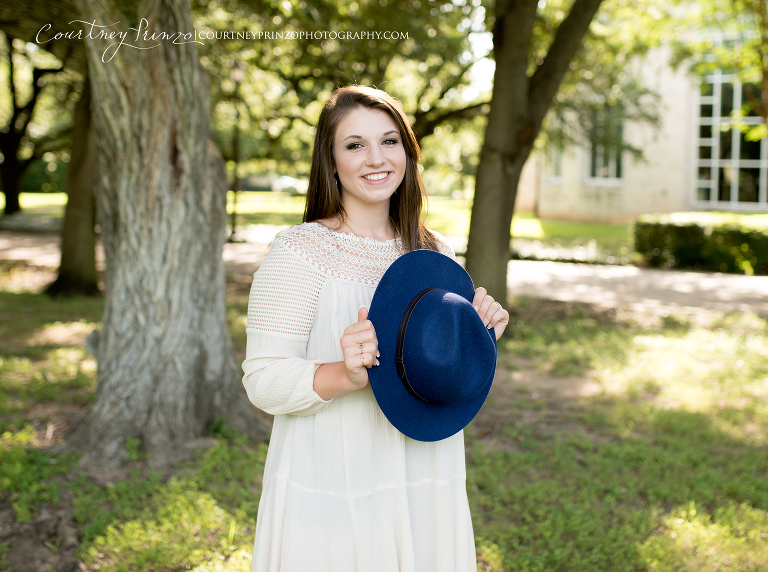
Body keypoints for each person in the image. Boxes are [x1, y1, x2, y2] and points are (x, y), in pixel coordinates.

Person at [242, 85, 510, 572]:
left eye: (389, 141)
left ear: (407, 152)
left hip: (425, 473)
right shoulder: (300, 251)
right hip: (333, 474)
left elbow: (440, 367)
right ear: (331, 159)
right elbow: (262, 381)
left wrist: (479, 333)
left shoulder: (435, 254)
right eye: (354, 144)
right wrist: (343, 374)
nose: (375, 158)